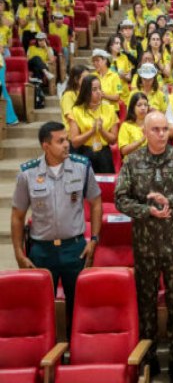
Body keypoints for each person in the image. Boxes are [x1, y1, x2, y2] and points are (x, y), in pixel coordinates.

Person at [115, 112, 173, 383]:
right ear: (144, 131)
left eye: (165, 129)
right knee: (146, 306)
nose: (162, 134)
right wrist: (147, 210)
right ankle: (149, 358)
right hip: (145, 247)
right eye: (156, 129)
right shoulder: (133, 161)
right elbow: (120, 199)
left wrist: (171, 202)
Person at [11, 121, 102, 333]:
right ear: (46, 146)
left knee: (78, 306)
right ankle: (44, 352)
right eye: (60, 141)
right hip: (42, 251)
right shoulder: (28, 173)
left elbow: (96, 202)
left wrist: (95, 240)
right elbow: (17, 216)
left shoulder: (82, 166)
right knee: (40, 307)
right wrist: (18, 253)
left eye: (66, 139)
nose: (66, 145)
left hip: (75, 249)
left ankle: (74, 347)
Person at [68, 75, 118, 174]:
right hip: (83, 153)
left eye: (100, 88)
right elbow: (74, 142)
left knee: (105, 186)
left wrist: (102, 130)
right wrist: (92, 131)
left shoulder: (110, 109)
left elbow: (113, 140)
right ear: (86, 92)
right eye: (94, 89)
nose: (99, 92)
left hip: (104, 153)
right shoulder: (76, 111)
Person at [118, 92, 149, 159]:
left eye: (146, 105)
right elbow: (124, 151)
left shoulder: (152, 124)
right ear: (132, 108)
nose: (143, 108)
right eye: (139, 105)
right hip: (132, 164)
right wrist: (141, 141)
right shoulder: (126, 126)